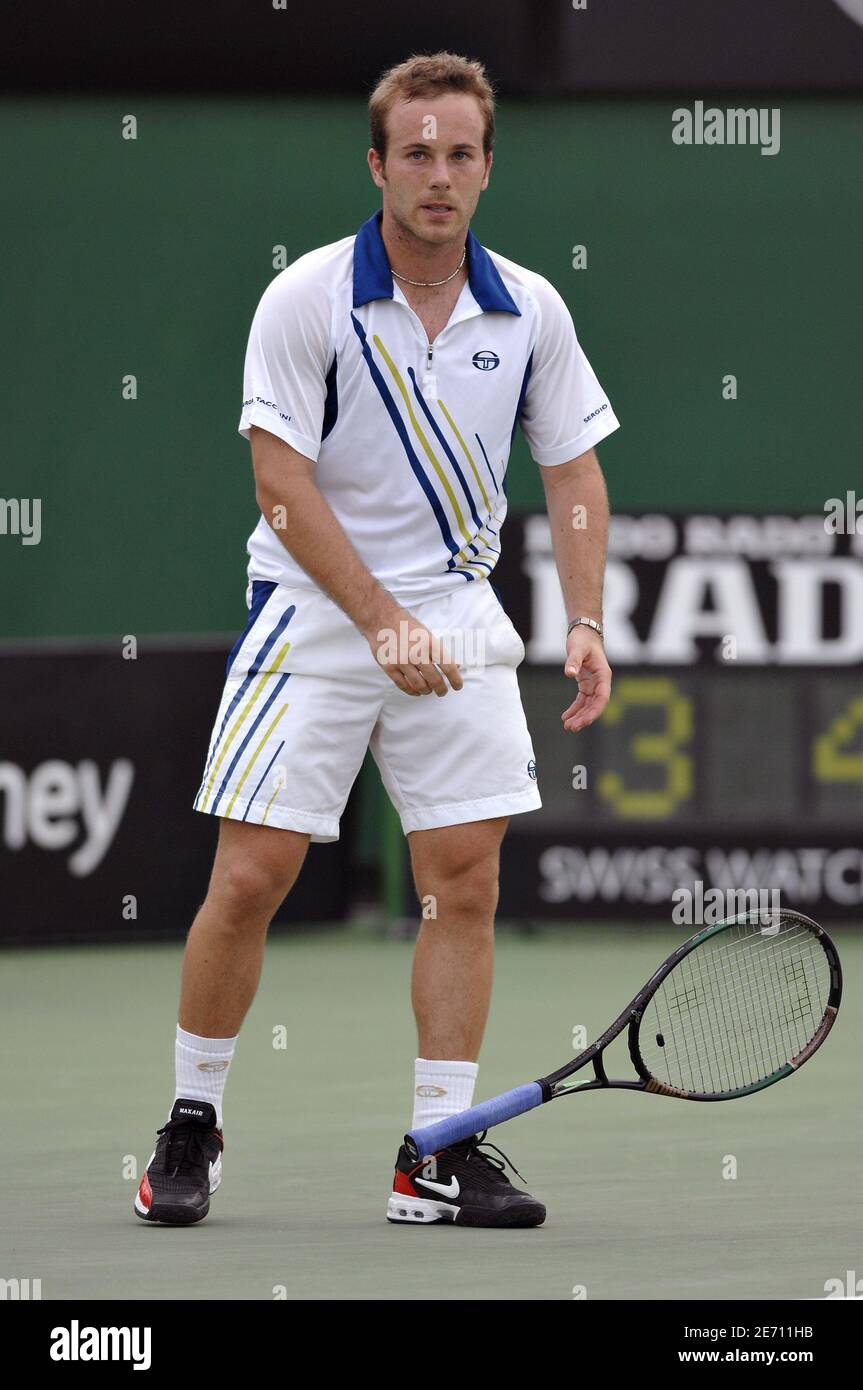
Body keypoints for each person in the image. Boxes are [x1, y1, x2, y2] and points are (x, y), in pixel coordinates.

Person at [135, 50, 619, 1230]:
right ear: (377, 164)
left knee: (463, 883)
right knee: (252, 878)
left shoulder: (532, 310)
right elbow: (278, 484)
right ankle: (189, 1124)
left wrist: (585, 614)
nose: (439, 176)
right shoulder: (304, 297)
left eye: (461, 154)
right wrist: (376, 621)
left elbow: (570, 472)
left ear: (487, 168)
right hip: (311, 608)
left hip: (453, 611)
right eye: (417, 154)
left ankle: (437, 1152)